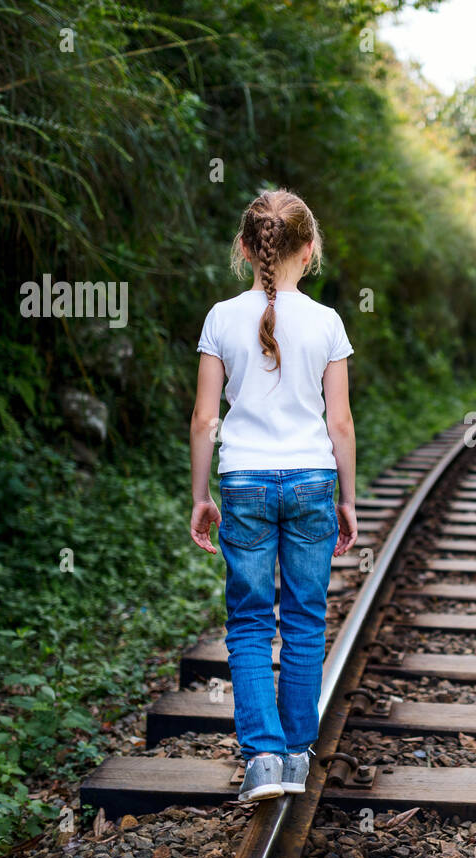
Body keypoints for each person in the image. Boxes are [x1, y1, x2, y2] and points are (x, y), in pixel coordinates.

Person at [188, 188, 357, 802]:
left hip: (244, 482)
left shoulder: (219, 317)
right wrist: (348, 499)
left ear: (244, 247)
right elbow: (340, 422)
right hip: (313, 479)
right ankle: (294, 753)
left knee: (251, 622)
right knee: (306, 619)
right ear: (308, 251)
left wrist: (200, 494)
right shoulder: (327, 322)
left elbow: (206, 418)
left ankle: (262, 758)